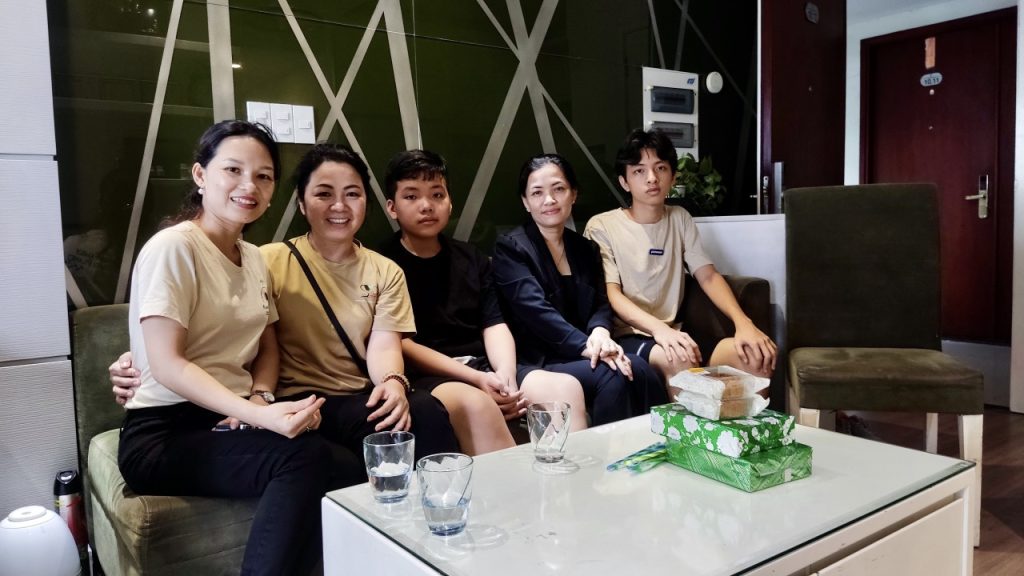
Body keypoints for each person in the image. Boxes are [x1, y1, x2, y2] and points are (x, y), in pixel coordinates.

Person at [112, 142, 459, 475]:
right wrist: (135, 358)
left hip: (357, 395)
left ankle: (437, 507)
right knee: (340, 452)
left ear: (367, 202)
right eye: (324, 194)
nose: (339, 206)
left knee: (423, 411)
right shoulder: (266, 260)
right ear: (302, 204)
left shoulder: (386, 270)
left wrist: (393, 383)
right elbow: (217, 319)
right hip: (293, 397)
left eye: (352, 194)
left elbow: (384, 346)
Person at [117, 120, 331, 576]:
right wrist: (257, 415)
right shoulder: (173, 248)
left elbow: (267, 347)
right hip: (163, 432)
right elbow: (167, 364)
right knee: (304, 459)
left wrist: (261, 397)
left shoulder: (253, 257)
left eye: (263, 176)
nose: (248, 186)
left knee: (343, 461)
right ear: (200, 175)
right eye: (233, 170)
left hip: (225, 419)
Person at [380, 149, 581, 451]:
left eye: (437, 195)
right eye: (411, 196)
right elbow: (400, 343)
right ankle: (515, 483)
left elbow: (494, 324)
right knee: (477, 405)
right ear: (392, 207)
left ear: (450, 202)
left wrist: (506, 377)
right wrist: (476, 379)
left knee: (564, 388)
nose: (426, 205)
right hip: (428, 375)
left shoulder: (471, 258)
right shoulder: (382, 264)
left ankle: (568, 478)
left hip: (483, 366)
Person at [584, 128, 777, 389]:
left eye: (660, 168)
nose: (652, 178)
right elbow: (612, 295)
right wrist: (660, 330)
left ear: (673, 176)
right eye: (639, 171)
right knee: (679, 358)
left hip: (676, 332)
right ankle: (684, 419)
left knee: (755, 355)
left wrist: (744, 323)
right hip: (628, 335)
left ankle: (745, 420)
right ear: (624, 182)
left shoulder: (679, 218)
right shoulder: (602, 225)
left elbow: (707, 275)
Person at [492, 153, 668, 428]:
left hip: (583, 350)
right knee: (614, 374)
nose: (549, 200)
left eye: (558, 189)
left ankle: (659, 446)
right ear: (526, 202)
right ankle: (611, 453)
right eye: (537, 193)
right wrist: (588, 346)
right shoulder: (511, 248)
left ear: (573, 194)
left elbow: (600, 302)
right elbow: (536, 313)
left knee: (641, 369)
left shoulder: (585, 248)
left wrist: (600, 333)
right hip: (539, 358)